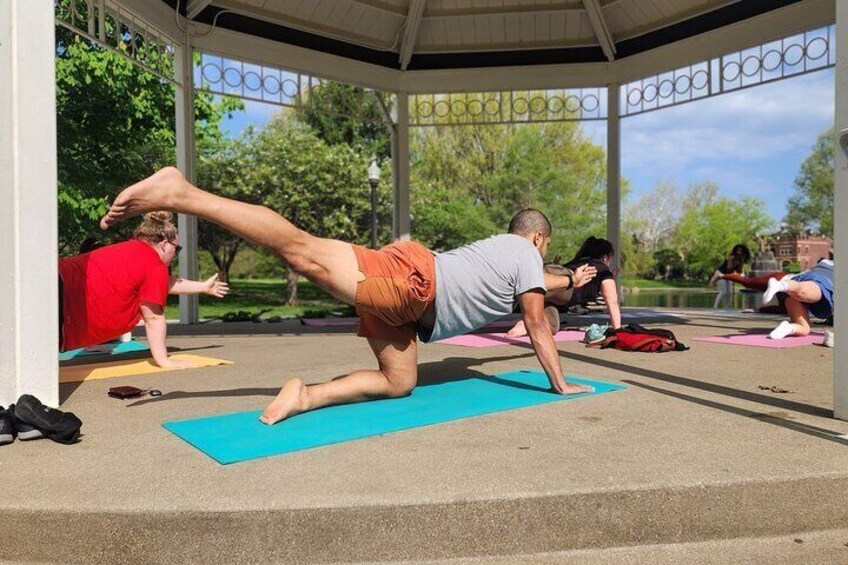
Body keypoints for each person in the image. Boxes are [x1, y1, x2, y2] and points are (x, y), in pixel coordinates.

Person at [99, 167, 599, 425]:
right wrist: (560, 383)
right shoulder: (524, 253)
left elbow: (550, 286)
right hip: (412, 283)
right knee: (301, 251)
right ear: (538, 239)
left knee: (398, 381)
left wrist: (569, 280)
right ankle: (181, 193)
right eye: (546, 248)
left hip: (410, 311)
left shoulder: (509, 256)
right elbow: (536, 320)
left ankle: (305, 396)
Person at [60, 211, 229, 368]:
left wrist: (203, 287)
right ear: (164, 244)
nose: (175, 253)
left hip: (52, 279)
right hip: (61, 302)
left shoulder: (130, 250)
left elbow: (164, 283)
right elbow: (153, 317)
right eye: (176, 248)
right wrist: (164, 360)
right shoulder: (154, 264)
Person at [505, 236, 621, 337]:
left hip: (555, 287)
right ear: (605, 257)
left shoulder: (576, 263)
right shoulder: (603, 270)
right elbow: (613, 303)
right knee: (521, 283)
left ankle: (526, 325)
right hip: (562, 282)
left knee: (553, 325)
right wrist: (618, 331)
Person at [762, 258, 834, 340]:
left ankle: (788, 328)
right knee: (802, 293)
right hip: (821, 282)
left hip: (795, 284)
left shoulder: (823, 264)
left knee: (804, 329)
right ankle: (780, 285)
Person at [709, 244, 751, 309]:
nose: (739, 252)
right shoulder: (731, 257)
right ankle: (715, 306)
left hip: (728, 276)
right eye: (738, 250)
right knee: (723, 292)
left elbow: (739, 272)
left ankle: (727, 307)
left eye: (741, 251)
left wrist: (740, 264)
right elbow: (729, 268)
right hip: (720, 274)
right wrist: (733, 262)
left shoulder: (740, 261)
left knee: (729, 293)